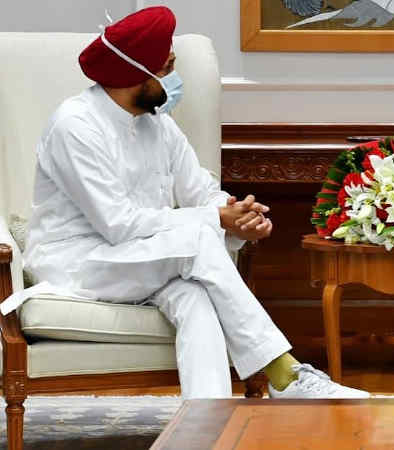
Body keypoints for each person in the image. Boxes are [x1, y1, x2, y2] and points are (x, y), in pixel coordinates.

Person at [15, 6, 369, 400]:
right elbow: (119, 224)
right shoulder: (75, 125)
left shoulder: (157, 124)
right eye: (166, 68)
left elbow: (200, 190)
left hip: (142, 258)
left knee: (195, 297)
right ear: (135, 73)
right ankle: (283, 373)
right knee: (198, 243)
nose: (173, 78)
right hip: (78, 261)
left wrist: (239, 216)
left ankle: (207, 425)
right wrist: (217, 218)